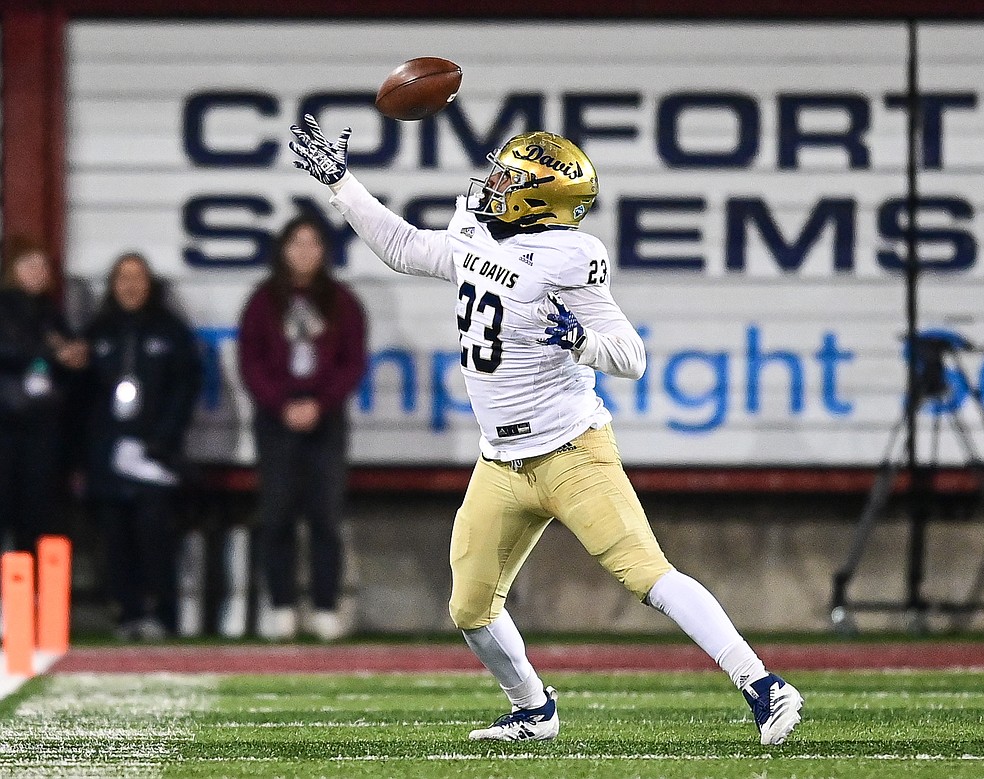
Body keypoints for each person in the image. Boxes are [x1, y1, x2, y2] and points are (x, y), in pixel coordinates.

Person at [289, 115, 803, 745]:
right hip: (500, 461)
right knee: (470, 607)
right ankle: (533, 708)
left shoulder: (571, 255)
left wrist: (582, 340)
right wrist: (341, 184)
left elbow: (631, 356)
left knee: (647, 574)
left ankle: (763, 684)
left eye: (512, 177)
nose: (495, 182)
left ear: (538, 198)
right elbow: (400, 246)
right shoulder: (476, 231)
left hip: (570, 452)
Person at [237, 213, 368, 642]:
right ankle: (281, 607)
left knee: (325, 517)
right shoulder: (263, 301)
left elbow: (352, 362)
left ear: (324, 252)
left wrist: (320, 402)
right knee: (276, 516)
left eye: (313, 244)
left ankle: (327, 607)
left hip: (326, 423)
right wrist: (281, 404)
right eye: (296, 243)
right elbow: (250, 361)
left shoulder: (342, 302)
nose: (304, 252)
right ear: (283, 250)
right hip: (275, 424)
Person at [84, 252, 201, 640]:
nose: (130, 286)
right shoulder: (98, 332)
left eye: (138, 278)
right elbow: (83, 398)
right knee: (114, 537)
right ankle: (126, 612)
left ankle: (163, 615)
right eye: (123, 278)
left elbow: (185, 388)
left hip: (154, 456)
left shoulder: (170, 332)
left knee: (155, 535)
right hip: (108, 456)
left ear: (150, 284)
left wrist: (161, 441)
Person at [0, 236, 88, 553]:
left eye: (44, 266)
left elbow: (66, 357)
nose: (39, 272)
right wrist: (52, 355)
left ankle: (28, 594)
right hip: (8, 427)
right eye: (30, 265)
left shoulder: (52, 314)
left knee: (36, 518)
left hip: (43, 430)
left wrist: (76, 358)